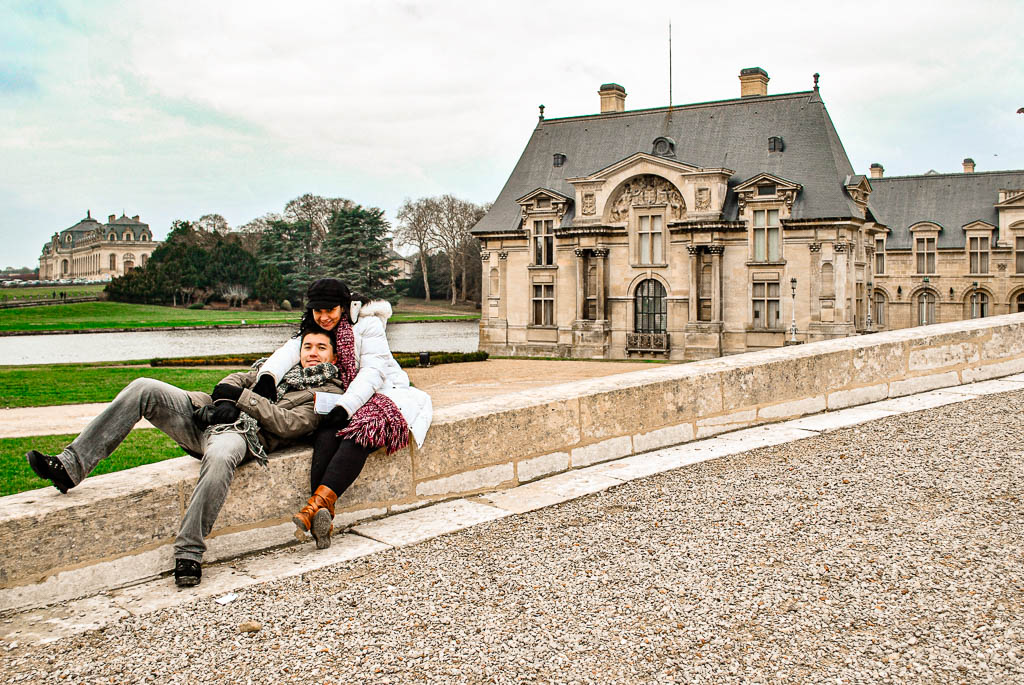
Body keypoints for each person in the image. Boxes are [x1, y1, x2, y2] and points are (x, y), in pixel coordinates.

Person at [25, 326, 345, 588]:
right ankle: (70, 466)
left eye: (321, 347)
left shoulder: (328, 394)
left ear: (334, 355)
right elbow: (234, 381)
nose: (312, 352)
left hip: (241, 437)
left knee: (220, 459)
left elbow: (288, 424)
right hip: (206, 414)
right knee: (143, 388)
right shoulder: (274, 370)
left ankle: (189, 551)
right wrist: (224, 399)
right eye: (307, 346)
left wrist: (239, 401)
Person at [257, 278, 432, 549]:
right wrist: (267, 377)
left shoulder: (369, 324)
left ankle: (312, 509)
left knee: (359, 433)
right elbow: (288, 352)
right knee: (326, 436)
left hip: (382, 393)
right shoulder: (315, 327)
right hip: (340, 397)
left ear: (344, 306)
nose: (324, 317)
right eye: (318, 311)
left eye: (330, 310)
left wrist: (346, 407)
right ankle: (322, 514)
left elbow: (373, 372)